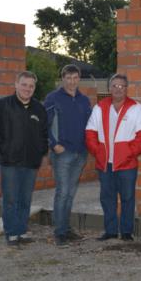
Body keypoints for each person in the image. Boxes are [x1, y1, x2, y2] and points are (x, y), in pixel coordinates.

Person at [0, 71, 48, 247]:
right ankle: (12, 233)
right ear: (16, 85)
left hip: (31, 163)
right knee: (11, 199)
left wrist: (40, 151)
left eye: (31, 86)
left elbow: (44, 134)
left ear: (34, 88)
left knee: (25, 199)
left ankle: (22, 230)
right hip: (10, 163)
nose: (28, 88)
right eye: (24, 84)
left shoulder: (39, 109)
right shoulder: (2, 105)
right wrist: (5, 149)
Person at [85, 73, 141, 241]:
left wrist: (127, 153)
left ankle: (126, 232)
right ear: (109, 88)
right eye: (115, 86)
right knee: (107, 198)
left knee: (127, 198)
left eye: (122, 86)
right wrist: (98, 151)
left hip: (127, 164)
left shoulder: (136, 108)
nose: (118, 89)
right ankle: (110, 230)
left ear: (127, 89)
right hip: (105, 164)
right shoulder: (100, 107)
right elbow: (90, 133)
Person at [44, 64, 92, 246]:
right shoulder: (52, 98)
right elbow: (44, 125)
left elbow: (90, 126)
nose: (71, 82)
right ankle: (59, 232)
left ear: (79, 79)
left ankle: (66, 228)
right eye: (68, 78)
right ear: (62, 79)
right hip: (62, 153)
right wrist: (54, 145)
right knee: (62, 192)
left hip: (80, 153)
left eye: (75, 78)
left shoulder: (84, 100)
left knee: (71, 193)